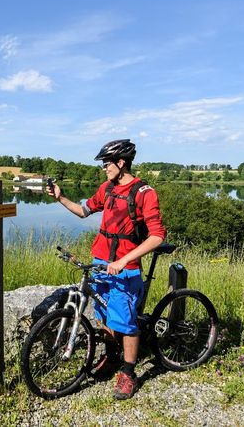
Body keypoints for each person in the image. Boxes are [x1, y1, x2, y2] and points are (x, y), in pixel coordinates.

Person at [46, 139, 166, 400]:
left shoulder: (145, 192)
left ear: (121, 163)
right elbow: (83, 210)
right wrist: (60, 198)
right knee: (104, 314)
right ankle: (111, 357)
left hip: (125, 267)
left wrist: (124, 260)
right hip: (101, 262)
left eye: (106, 163)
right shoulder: (107, 188)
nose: (103, 168)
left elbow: (157, 236)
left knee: (127, 322)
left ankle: (129, 373)